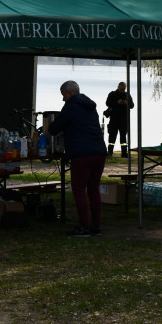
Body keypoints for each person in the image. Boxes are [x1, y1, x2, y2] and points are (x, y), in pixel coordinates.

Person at [50, 81, 107, 236]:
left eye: (64, 95)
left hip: (82, 154)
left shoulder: (71, 106)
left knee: (79, 190)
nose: (63, 99)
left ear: (71, 93)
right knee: (93, 189)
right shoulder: (90, 106)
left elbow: (54, 128)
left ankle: (84, 226)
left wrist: (52, 127)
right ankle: (96, 226)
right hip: (99, 152)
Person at [104, 82, 134, 158]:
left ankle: (124, 153)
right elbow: (108, 103)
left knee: (123, 137)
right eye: (121, 89)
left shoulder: (127, 95)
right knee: (112, 136)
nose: (122, 90)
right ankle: (110, 152)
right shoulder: (112, 94)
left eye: (123, 89)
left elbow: (132, 105)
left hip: (124, 119)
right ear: (118, 87)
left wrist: (126, 103)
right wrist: (117, 102)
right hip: (114, 119)